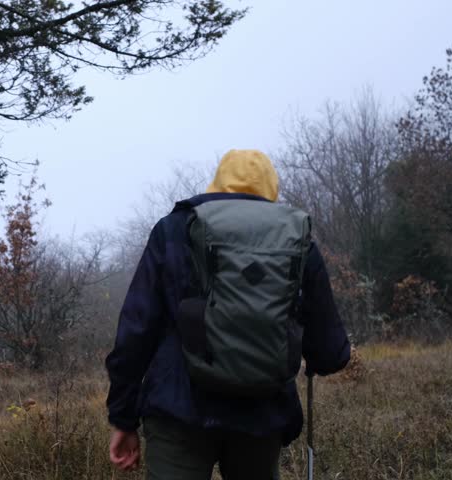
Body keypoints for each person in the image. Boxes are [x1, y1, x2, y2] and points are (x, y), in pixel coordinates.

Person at [105, 149, 350, 479]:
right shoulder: (297, 240)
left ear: (217, 183)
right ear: (271, 188)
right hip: (262, 414)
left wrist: (123, 417)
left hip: (178, 410)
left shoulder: (175, 229)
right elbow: (330, 353)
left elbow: (136, 330)